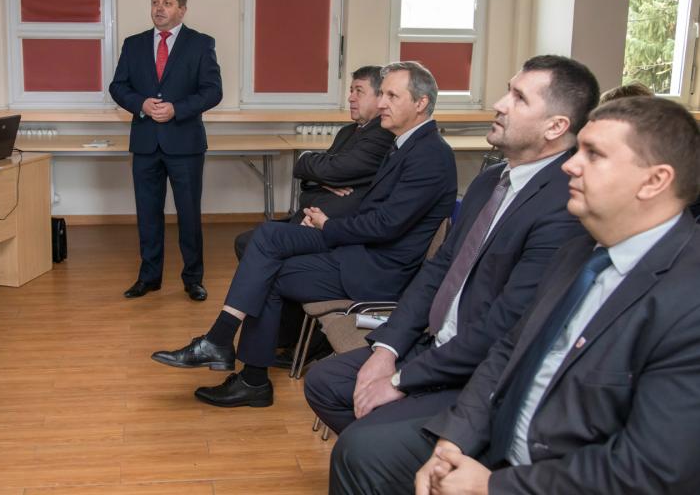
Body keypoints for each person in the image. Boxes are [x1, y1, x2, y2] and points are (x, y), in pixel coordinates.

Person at [329, 96, 700, 495]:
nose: (570, 165)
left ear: (654, 181)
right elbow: (508, 352)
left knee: (367, 449)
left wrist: (493, 485)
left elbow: (650, 470)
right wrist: (453, 441)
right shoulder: (581, 251)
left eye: (594, 155)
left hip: (555, 473)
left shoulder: (687, 298)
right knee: (360, 452)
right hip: (498, 435)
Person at [305, 55, 599, 435]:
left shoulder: (563, 205)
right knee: (324, 382)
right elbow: (440, 268)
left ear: (555, 126)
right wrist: (387, 349)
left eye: (519, 98)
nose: (499, 104)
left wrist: (402, 380)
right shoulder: (490, 180)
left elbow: (504, 325)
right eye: (507, 91)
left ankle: (396, 448)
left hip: (476, 368)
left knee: (362, 445)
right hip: (431, 341)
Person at [150, 61, 458, 408]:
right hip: (361, 250)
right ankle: (226, 349)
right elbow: (369, 205)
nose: (382, 103)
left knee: (268, 269)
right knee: (268, 238)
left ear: (420, 103)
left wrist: (328, 225)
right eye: (382, 94)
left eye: (392, 96)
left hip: (377, 270)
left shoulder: (430, 155)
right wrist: (327, 209)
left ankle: (240, 366)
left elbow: (386, 225)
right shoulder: (404, 144)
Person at [109, 0, 223, 302]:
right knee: (147, 214)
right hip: (145, 142)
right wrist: (141, 104)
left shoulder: (200, 44)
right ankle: (149, 278)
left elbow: (213, 91)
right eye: (155, 2)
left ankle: (193, 279)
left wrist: (177, 109)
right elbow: (118, 86)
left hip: (185, 143)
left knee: (189, 214)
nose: (159, 9)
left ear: (182, 10)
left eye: (167, 3)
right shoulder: (133, 44)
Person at [233, 65, 394, 259]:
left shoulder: (383, 135)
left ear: (380, 97)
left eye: (359, 91)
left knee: (252, 243)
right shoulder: (347, 132)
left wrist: (315, 166)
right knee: (248, 241)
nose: (351, 98)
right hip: (308, 216)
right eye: (351, 91)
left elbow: (335, 170)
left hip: (330, 225)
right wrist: (323, 179)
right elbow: (317, 175)